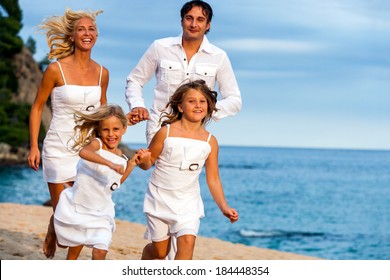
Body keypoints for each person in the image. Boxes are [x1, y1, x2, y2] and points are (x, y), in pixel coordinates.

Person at [27, 8, 109, 259]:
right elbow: (38, 107)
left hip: (87, 151)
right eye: (81, 29)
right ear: (72, 36)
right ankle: (54, 226)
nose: (87, 33)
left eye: (91, 29)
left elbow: (103, 114)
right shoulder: (55, 70)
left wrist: (108, 145)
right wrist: (34, 146)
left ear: (96, 35)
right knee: (65, 218)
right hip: (58, 148)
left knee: (83, 210)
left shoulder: (102, 73)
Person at [136, 80, 239, 260]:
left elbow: (213, 178)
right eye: (191, 101)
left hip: (188, 202)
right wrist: (144, 160)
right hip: (159, 198)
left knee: (187, 243)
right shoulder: (165, 132)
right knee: (160, 252)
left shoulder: (210, 141)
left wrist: (224, 206)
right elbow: (147, 163)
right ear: (181, 107)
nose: (198, 105)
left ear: (208, 106)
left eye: (202, 101)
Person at [125, 0, 241, 144]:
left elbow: (234, 100)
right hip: (159, 128)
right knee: (161, 167)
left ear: (208, 25)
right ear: (182, 21)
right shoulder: (160, 47)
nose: (193, 24)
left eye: (200, 19)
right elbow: (135, 80)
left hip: (194, 132)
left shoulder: (219, 56)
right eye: (189, 18)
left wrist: (206, 109)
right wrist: (137, 105)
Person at [53, 104, 141, 260]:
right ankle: (51, 227)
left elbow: (115, 184)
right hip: (79, 206)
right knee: (70, 254)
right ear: (99, 131)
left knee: (100, 251)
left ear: (123, 130)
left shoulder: (120, 155)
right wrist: (110, 164)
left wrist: (131, 165)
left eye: (115, 129)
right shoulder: (97, 144)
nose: (111, 134)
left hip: (101, 211)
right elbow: (83, 152)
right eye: (106, 129)